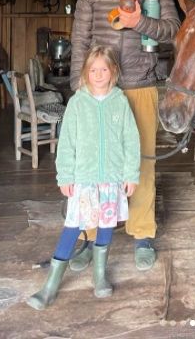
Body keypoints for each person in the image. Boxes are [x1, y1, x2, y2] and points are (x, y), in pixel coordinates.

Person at [68, 0, 180, 272]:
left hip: (141, 84)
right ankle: (90, 234)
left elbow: (173, 31)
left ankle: (142, 233)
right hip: (97, 91)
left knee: (142, 161)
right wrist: (78, 86)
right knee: (91, 163)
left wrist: (140, 22)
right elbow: (80, 39)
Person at [27, 47, 140, 309]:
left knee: (106, 224)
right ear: (86, 73)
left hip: (112, 178)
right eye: (93, 70)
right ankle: (50, 286)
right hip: (84, 179)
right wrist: (65, 176)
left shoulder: (120, 101)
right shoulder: (78, 103)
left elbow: (131, 140)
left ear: (113, 71)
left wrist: (131, 174)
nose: (98, 75)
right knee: (73, 226)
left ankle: (99, 277)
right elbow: (66, 143)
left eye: (104, 69)